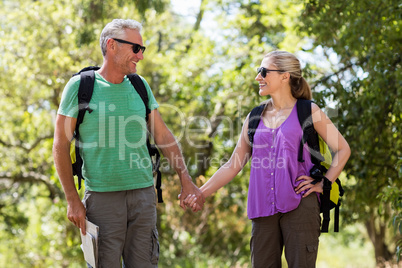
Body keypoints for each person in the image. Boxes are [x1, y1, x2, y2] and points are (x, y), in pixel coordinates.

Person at [53, 19, 204, 268]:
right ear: (112, 45)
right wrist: (72, 198)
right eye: (136, 48)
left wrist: (185, 179)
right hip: (101, 200)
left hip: (143, 197)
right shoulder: (80, 87)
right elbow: (60, 145)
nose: (140, 56)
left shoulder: (139, 85)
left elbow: (164, 136)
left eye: (142, 49)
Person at [185, 51, 351, 267]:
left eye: (264, 71)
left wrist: (323, 184)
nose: (258, 77)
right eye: (258, 72)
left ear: (285, 76)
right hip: (262, 209)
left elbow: (343, 149)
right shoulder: (254, 117)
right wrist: (201, 193)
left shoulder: (308, 111)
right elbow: (233, 164)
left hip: (301, 204)